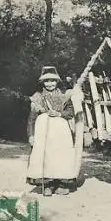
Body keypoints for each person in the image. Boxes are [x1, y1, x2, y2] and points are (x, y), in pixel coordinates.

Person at [26, 66, 77, 196]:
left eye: (53, 81)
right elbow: (31, 118)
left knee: (60, 155)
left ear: (57, 82)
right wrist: (31, 135)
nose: (50, 84)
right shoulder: (37, 97)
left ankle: (60, 183)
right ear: (42, 82)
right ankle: (47, 184)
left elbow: (70, 113)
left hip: (61, 131)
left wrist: (59, 114)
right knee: (45, 155)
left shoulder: (64, 96)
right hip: (43, 131)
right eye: (47, 81)